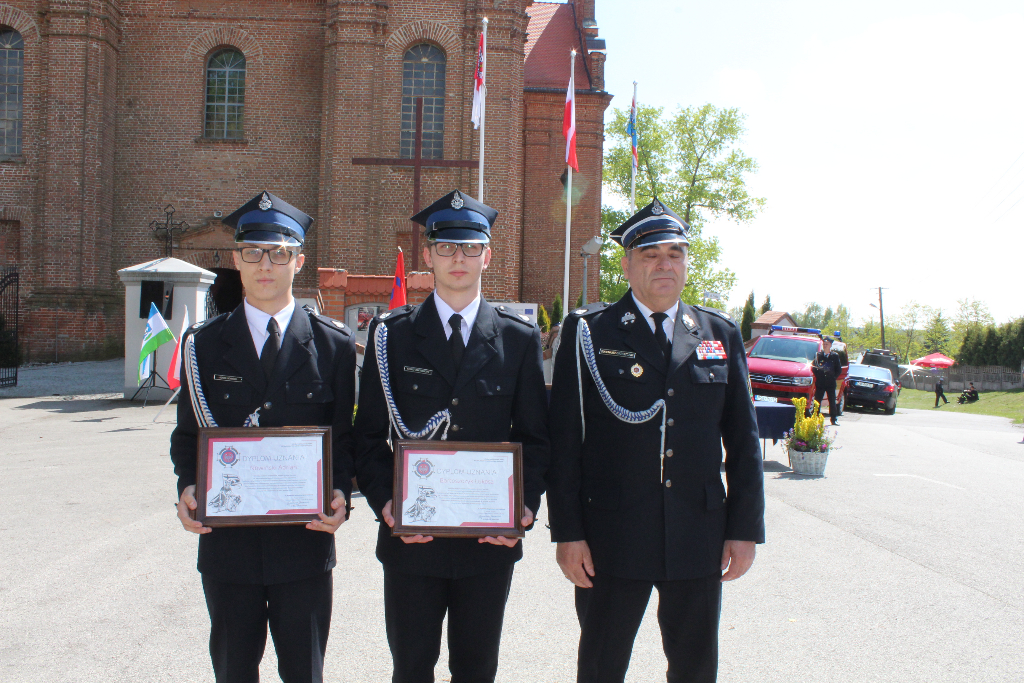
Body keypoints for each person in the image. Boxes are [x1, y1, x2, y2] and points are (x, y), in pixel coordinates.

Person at [546, 199, 765, 683]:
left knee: (695, 669)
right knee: (601, 667)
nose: (665, 264)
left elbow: (744, 441)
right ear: (626, 265)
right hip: (611, 535)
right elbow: (565, 441)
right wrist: (568, 532)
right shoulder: (590, 331)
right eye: (650, 255)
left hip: (697, 534)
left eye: (675, 254)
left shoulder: (718, 333)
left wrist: (744, 529)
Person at [354, 190, 549, 683]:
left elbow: (536, 436)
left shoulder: (518, 338)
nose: (458, 258)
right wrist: (386, 503)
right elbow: (368, 436)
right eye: (446, 247)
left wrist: (525, 505)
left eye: (470, 248)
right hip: (412, 539)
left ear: (487, 256)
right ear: (428, 255)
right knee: (411, 668)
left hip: (488, 541)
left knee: (477, 670)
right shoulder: (391, 335)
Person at [171, 191, 356, 683]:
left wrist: (342, 493)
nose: (266, 265)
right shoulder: (203, 345)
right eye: (253, 252)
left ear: (299, 261)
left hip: (304, 545)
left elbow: (345, 438)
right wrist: (188, 487)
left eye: (279, 253)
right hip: (229, 548)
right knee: (233, 671)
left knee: (304, 673)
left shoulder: (333, 345)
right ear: (236, 260)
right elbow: (187, 436)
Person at [813, 337, 842, 426]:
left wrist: (833, 377)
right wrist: (819, 376)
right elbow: (814, 367)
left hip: (830, 383)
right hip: (820, 382)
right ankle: (815, 419)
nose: (825, 346)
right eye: (824, 344)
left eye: (827, 344)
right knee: (817, 401)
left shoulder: (835, 356)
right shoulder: (818, 355)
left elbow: (838, 369)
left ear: (830, 345)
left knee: (832, 401)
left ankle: (834, 419)